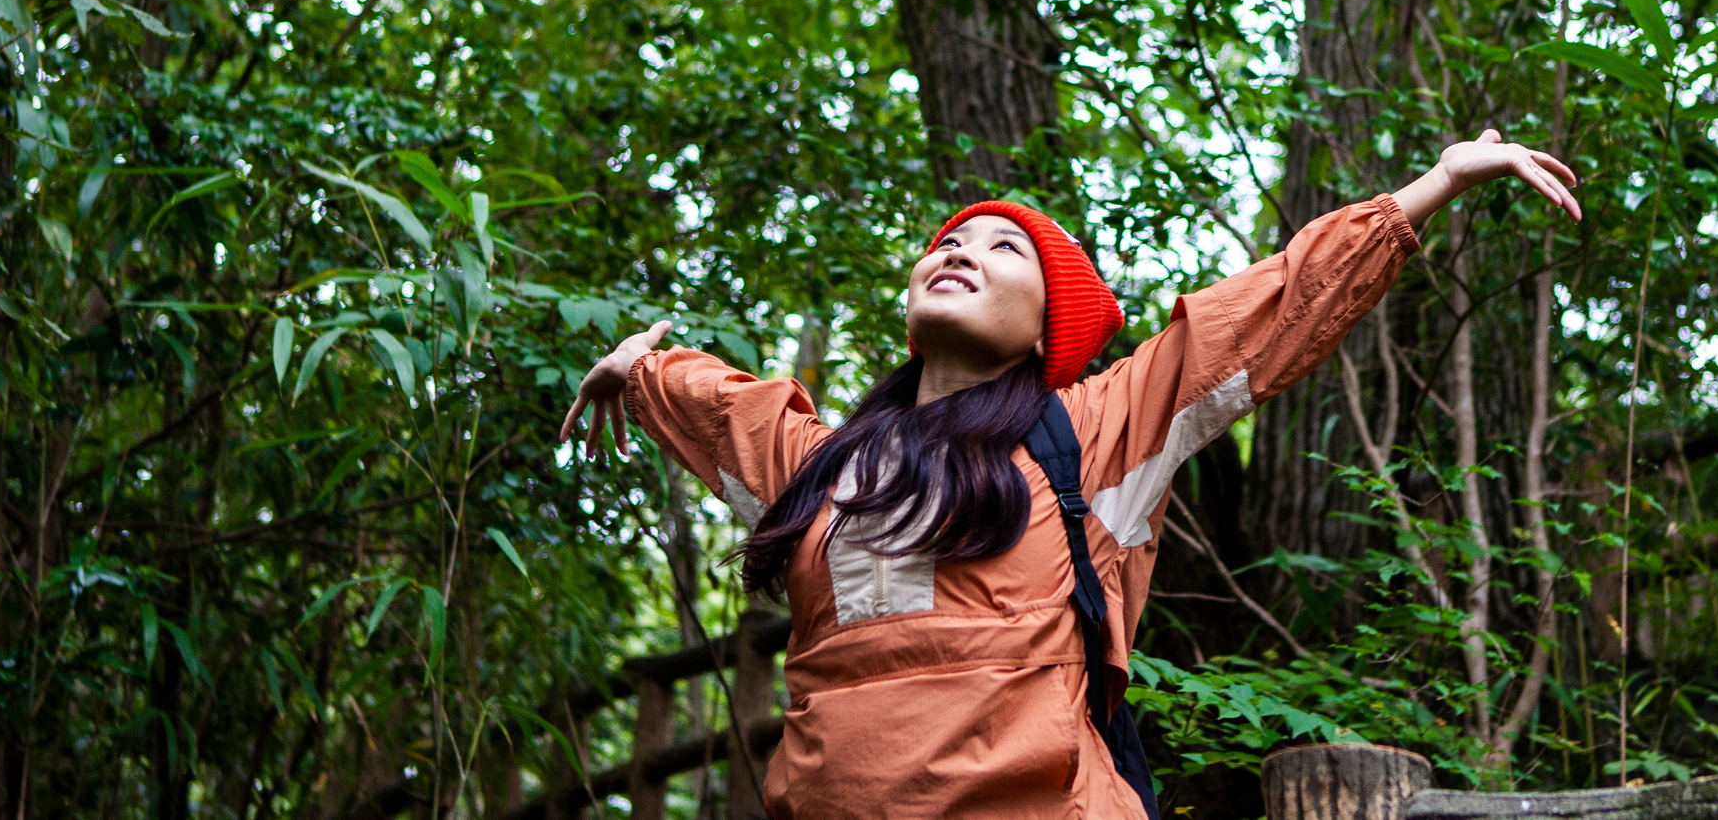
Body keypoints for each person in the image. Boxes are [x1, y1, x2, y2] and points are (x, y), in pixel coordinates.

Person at [558, 129, 1580, 819]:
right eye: (949, 242)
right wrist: (637, 368)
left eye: (1005, 249)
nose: (961, 249)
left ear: (1051, 325)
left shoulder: (1093, 430)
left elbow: (1266, 307)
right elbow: (727, 405)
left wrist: (1434, 183)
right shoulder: (820, 463)